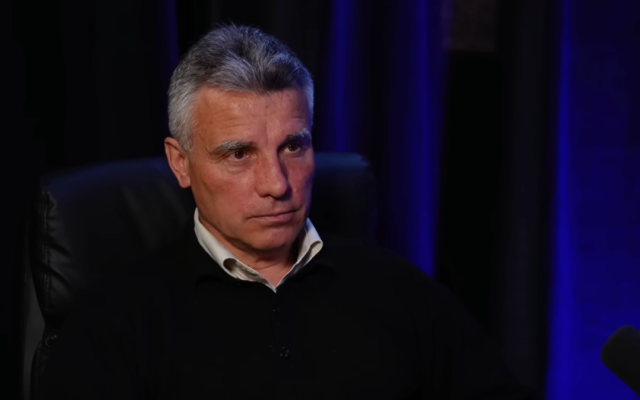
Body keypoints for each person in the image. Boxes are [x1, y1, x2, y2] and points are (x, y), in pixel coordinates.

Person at [36, 25, 536, 400]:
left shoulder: (399, 291)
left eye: (293, 147)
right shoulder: (117, 322)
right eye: (239, 154)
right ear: (180, 163)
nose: (277, 184)